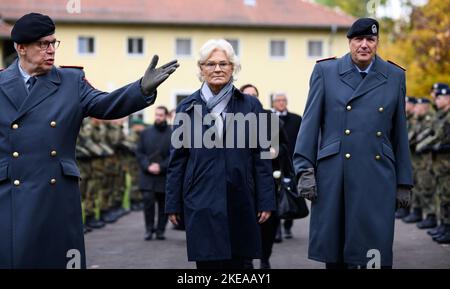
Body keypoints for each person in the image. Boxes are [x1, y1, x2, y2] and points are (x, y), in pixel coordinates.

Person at [0, 12, 179, 268]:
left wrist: (140, 89)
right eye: (43, 44)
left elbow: (106, 105)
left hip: (55, 194)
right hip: (10, 193)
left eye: (53, 43)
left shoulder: (70, 82)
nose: (51, 50)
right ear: (21, 48)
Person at [293, 18, 413, 269]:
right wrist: (304, 168)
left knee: (374, 256)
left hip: (377, 175)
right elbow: (310, 124)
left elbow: (399, 132)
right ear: (349, 42)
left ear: (377, 42)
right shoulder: (326, 72)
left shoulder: (394, 75)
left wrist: (404, 181)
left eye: (370, 39)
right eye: (358, 39)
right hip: (335, 175)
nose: (364, 45)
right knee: (336, 255)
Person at [165, 39, 276, 269]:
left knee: (241, 264)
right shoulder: (186, 107)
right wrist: (172, 203)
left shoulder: (252, 105)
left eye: (224, 63)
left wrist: (266, 199)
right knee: (207, 265)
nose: (217, 69)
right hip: (201, 199)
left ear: (233, 68)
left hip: (242, 198)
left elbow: (262, 156)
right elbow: (177, 160)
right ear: (201, 68)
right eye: (211, 64)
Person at [240, 83, 291, 269]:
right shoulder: (232, 119)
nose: (251, 98)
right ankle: (246, 261)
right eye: (247, 95)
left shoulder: (270, 118)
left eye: (254, 95)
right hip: (243, 180)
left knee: (268, 224)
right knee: (243, 223)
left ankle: (264, 257)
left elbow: (285, 145)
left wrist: (274, 151)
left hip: (268, 178)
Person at [416, 85, 450, 243]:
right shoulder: (441, 116)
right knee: (442, 196)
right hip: (440, 164)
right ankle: (444, 225)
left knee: (447, 196)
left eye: (439, 97)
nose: (436, 100)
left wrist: (437, 146)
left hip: (446, 164)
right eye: (436, 97)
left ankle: (447, 227)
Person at [136, 106, 172, 241]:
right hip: (148, 175)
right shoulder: (145, 133)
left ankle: (160, 230)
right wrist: (148, 165)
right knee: (148, 202)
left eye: (161, 115)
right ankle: (149, 229)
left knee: (164, 205)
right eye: (156, 115)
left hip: (164, 175)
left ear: (166, 116)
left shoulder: (173, 133)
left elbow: (175, 155)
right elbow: (139, 152)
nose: (158, 117)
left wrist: (161, 166)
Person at [271, 92, 302, 240]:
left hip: (292, 162)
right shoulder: (268, 119)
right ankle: (276, 228)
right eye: (278, 100)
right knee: (275, 194)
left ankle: (288, 225)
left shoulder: (296, 119)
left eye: (284, 100)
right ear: (273, 103)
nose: (281, 103)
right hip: (275, 162)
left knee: (291, 192)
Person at [403, 97, 435, 224]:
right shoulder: (413, 120)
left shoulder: (428, 120)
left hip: (426, 161)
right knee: (417, 187)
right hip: (416, 160)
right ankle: (416, 211)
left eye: (417, 106)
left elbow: (414, 139)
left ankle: (431, 217)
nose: (416, 108)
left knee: (427, 188)